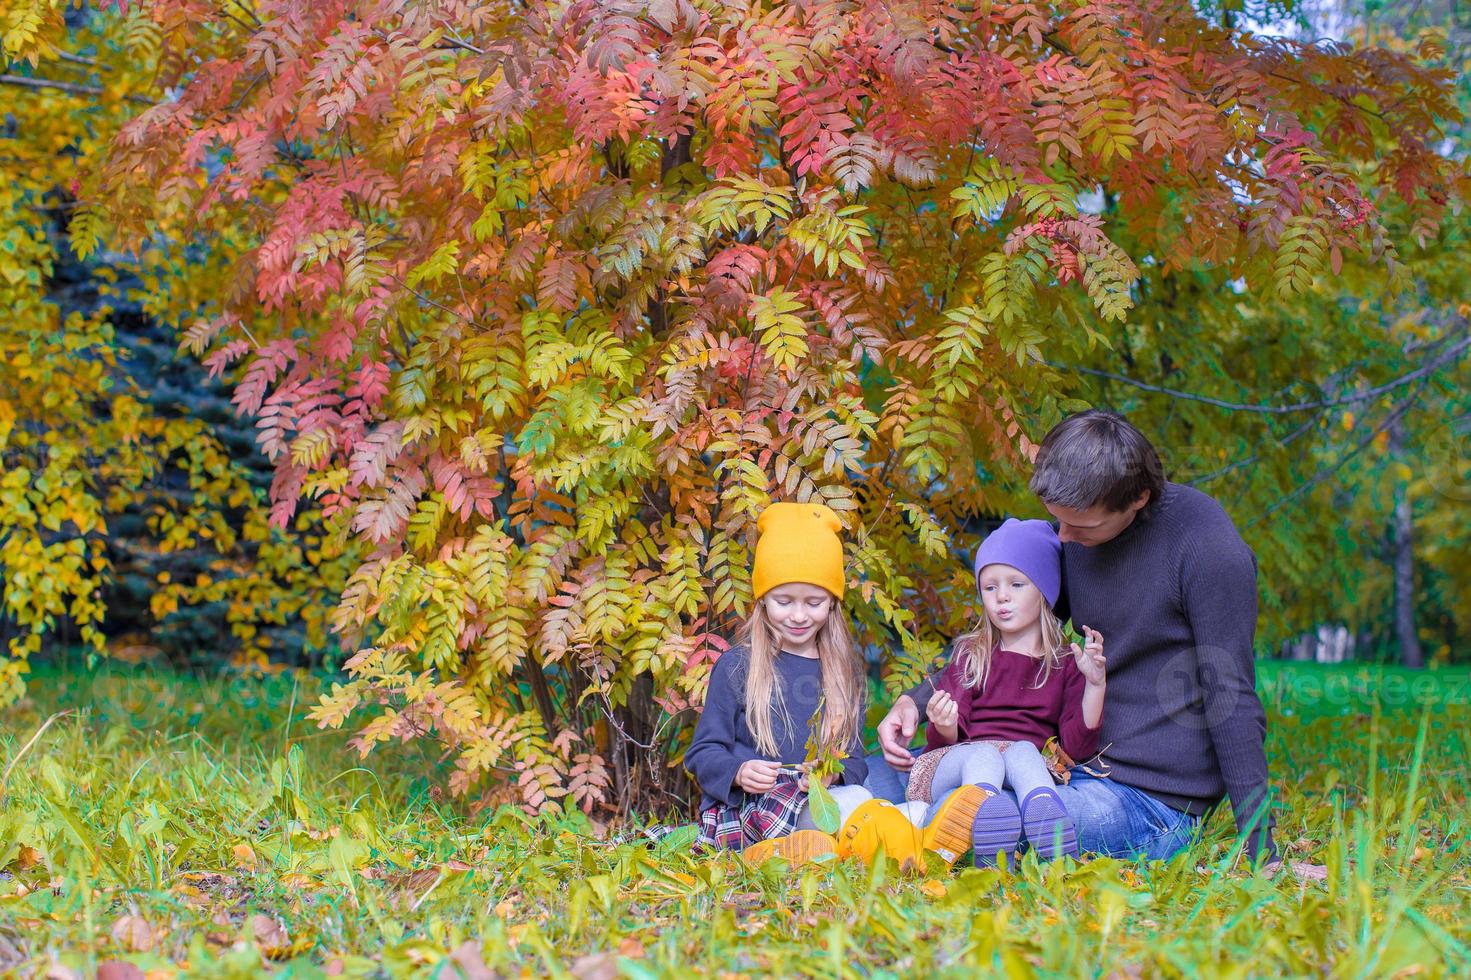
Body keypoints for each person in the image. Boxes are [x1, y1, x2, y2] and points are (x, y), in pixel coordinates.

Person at [872, 411, 1279, 865]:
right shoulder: (1076, 529)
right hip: (1059, 770)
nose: (1062, 538)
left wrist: (1263, 848)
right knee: (880, 777)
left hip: (1147, 799)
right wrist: (914, 700)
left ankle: (882, 831)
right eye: (1056, 521)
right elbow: (1008, 629)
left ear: (1139, 498)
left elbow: (1231, 696)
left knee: (984, 819)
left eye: (1080, 528)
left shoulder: (1207, 551)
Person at [685, 502, 987, 870]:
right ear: (762, 600)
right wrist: (738, 770)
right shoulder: (738, 667)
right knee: (862, 805)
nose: (798, 615)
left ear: (832, 604)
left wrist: (834, 772)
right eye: (784, 601)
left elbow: (856, 762)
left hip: (818, 805)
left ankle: (825, 850)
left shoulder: (842, 673)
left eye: (813, 602)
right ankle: (914, 846)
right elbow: (702, 753)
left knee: (859, 795)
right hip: (754, 810)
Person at [903, 519, 1105, 866]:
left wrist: (1096, 685)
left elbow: (1077, 746)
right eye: (990, 587)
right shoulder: (973, 653)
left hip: (1018, 763)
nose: (1002, 597)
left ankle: (1048, 832)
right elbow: (943, 743)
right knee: (986, 757)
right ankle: (981, 822)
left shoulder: (1064, 663)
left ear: (1044, 590)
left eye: (1016, 584)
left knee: (1025, 752)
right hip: (961, 761)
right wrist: (943, 722)